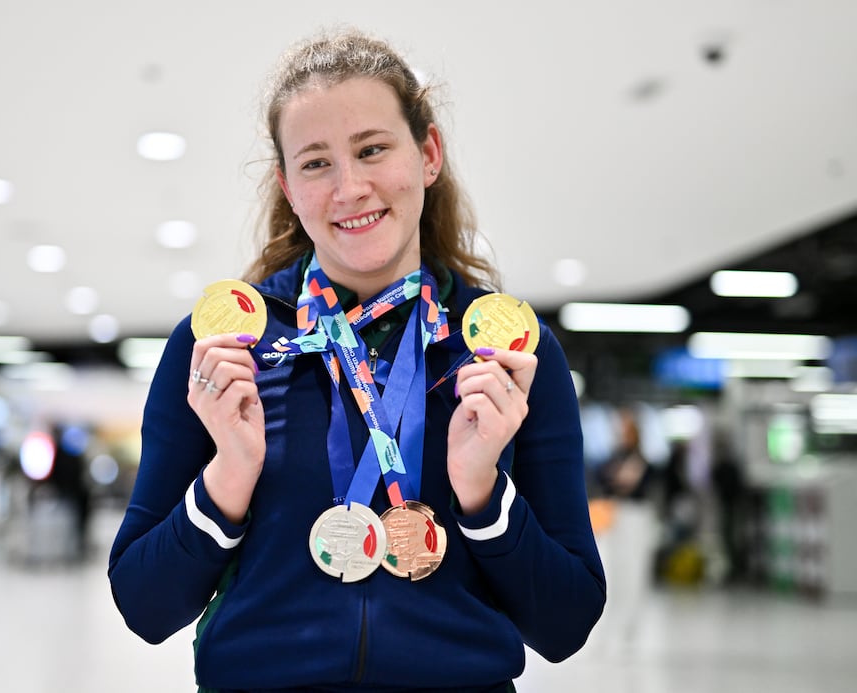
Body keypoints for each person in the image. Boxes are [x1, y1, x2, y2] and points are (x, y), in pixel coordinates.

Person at [109, 29, 605, 691]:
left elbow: (566, 622)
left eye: (372, 149)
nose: (350, 187)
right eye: (316, 163)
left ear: (428, 153)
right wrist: (228, 476)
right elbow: (145, 605)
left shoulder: (509, 350)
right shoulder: (219, 348)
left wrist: (484, 492)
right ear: (288, 185)